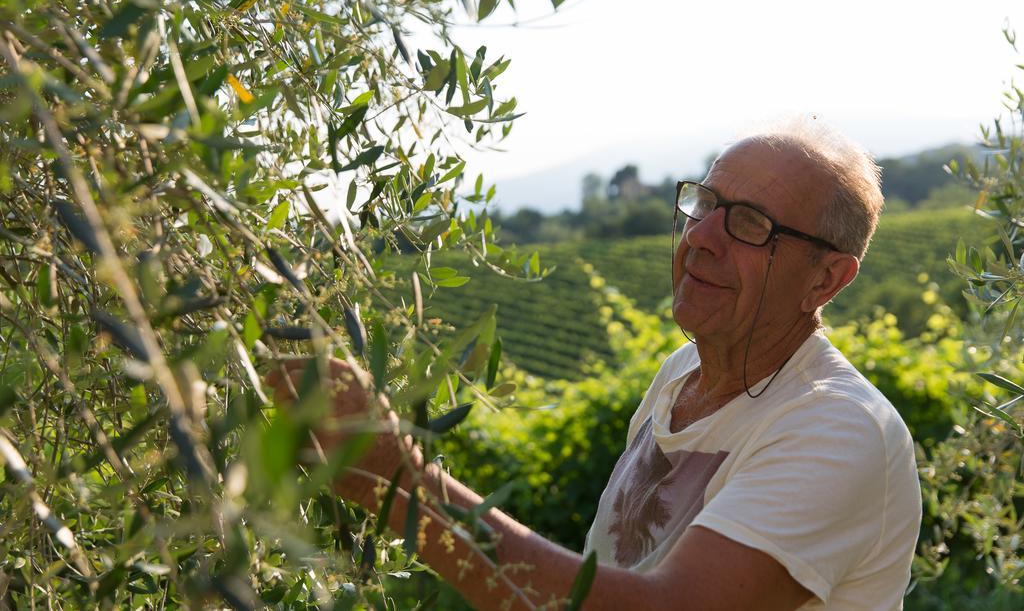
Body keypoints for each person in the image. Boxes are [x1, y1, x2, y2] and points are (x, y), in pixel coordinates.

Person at [268, 119, 921, 610]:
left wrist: (398, 478)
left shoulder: (839, 427)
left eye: (748, 225)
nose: (700, 237)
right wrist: (375, 479)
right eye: (705, 203)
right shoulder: (680, 375)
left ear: (826, 278)